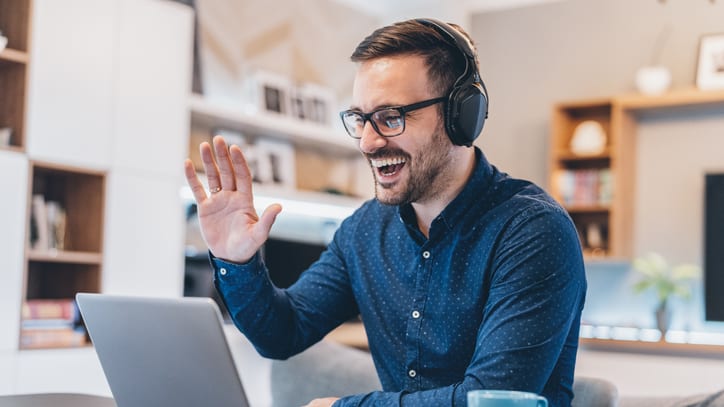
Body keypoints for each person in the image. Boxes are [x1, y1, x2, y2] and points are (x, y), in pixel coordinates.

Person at [184, 18, 586, 407]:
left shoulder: (533, 232)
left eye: (391, 118)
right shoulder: (363, 231)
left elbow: (491, 398)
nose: (368, 142)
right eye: (360, 119)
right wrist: (236, 260)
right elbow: (282, 334)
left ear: (460, 116)